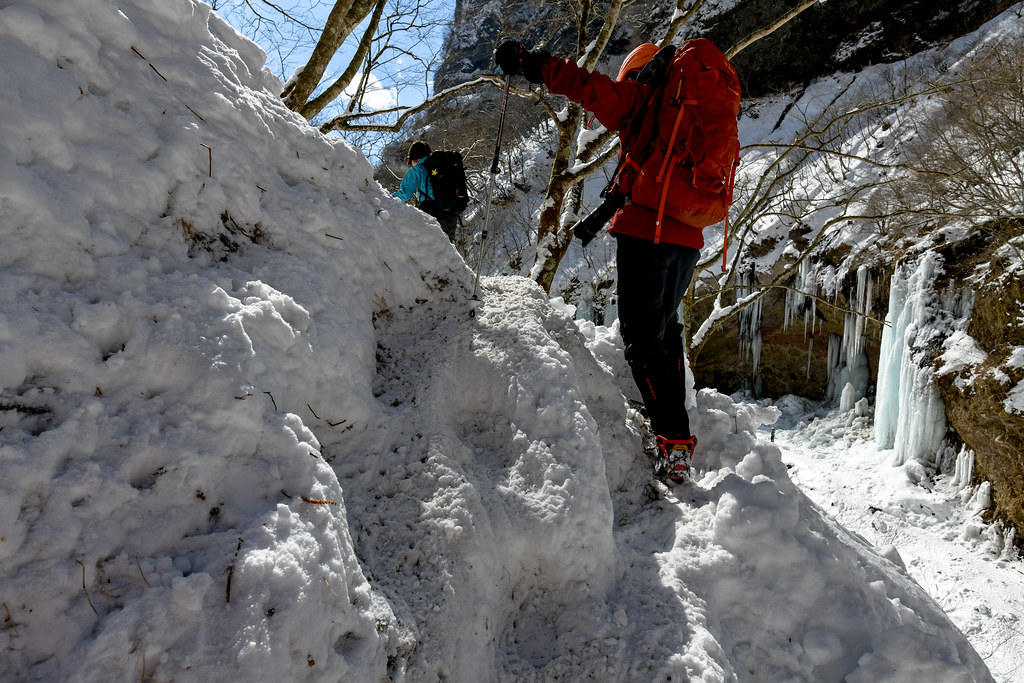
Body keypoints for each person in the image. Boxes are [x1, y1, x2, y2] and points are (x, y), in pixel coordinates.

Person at [495, 40, 702, 482]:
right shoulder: (681, 124)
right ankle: (678, 435)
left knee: (642, 340)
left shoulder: (644, 98)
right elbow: (629, 182)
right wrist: (590, 224)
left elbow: (587, 87)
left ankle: (671, 443)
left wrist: (533, 63)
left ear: (640, 76)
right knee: (666, 332)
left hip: (648, 235)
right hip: (688, 239)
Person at [392, 140, 459, 240]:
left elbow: (405, 194)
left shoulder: (417, 170)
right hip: (450, 215)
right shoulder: (444, 167)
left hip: (431, 213)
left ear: (415, 159)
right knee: (445, 251)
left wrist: (387, 199)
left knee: (427, 249)